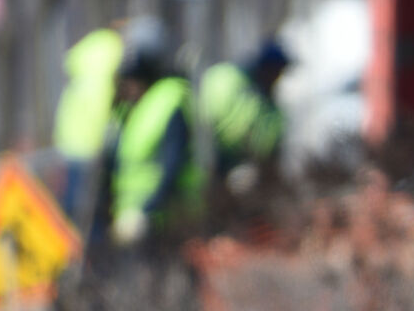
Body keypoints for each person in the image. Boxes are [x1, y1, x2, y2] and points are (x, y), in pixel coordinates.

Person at [99, 25, 201, 247]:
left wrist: (145, 212)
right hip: (133, 219)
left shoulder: (169, 99)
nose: (127, 88)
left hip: (164, 219)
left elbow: (172, 163)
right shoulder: (135, 110)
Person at [51, 25, 124, 222]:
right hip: (89, 150)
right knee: (89, 212)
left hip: (70, 146)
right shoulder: (102, 78)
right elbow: (100, 114)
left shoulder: (84, 74)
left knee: (72, 207)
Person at [201, 38, 291, 185]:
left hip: (242, 172)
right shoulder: (228, 81)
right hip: (214, 162)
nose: (277, 78)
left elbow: (271, 152)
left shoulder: (273, 111)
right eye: (275, 71)